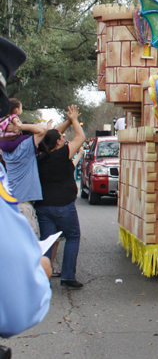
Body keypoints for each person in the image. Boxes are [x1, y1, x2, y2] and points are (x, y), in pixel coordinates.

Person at [0, 35, 52, 343]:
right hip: (24, 205)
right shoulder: (21, 147)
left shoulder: (7, 148)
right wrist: (39, 268)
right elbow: (19, 309)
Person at [36, 105, 86, 288]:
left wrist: (66, 121)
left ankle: (43, 277)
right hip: (64, 205)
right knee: (73, 236)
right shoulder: (62, 154)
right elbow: (81, 137)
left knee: (48, 241)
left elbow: (51, 134)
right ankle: (68, 276)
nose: (64, 139)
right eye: (62, 139)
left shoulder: (39, 156)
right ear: (58, 143)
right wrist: (73, 119)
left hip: (43, 206)